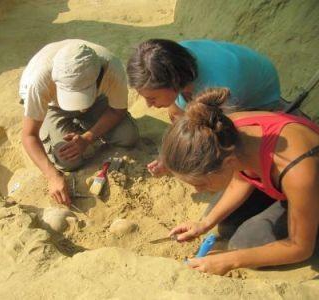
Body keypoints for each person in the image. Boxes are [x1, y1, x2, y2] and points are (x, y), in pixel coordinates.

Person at [160, 88, 319, 275]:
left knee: (244, 243)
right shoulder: (220, 131)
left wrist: (231, 260)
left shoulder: (297, 172)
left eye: (201, 183)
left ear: (228, 163)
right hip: (281, 181)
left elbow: (299, 247)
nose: (197, 190)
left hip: (308, 187)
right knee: (224, 223)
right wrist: (204, 224)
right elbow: (243, 177)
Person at [126, 39, 281, 176]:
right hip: (236, 80)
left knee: (216, 149)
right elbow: (179, 115)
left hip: (260, 101)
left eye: (152, 98)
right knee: (175, 114)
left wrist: (178, 157)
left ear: (173, 83)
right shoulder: (169, 59)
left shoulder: (220, 88)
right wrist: (168, 155)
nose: (148, 104)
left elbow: (216, 134)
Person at [19, 39, 139, 206]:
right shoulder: (38, 81)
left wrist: (87, 138)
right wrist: (52, 176)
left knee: (127, 136)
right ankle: (63, 127)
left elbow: (117, 110)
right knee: (68, 161)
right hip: (52, 106)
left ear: (98, 77)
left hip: (97, 100)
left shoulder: (112, 67)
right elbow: (28, 135)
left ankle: (83, 125)